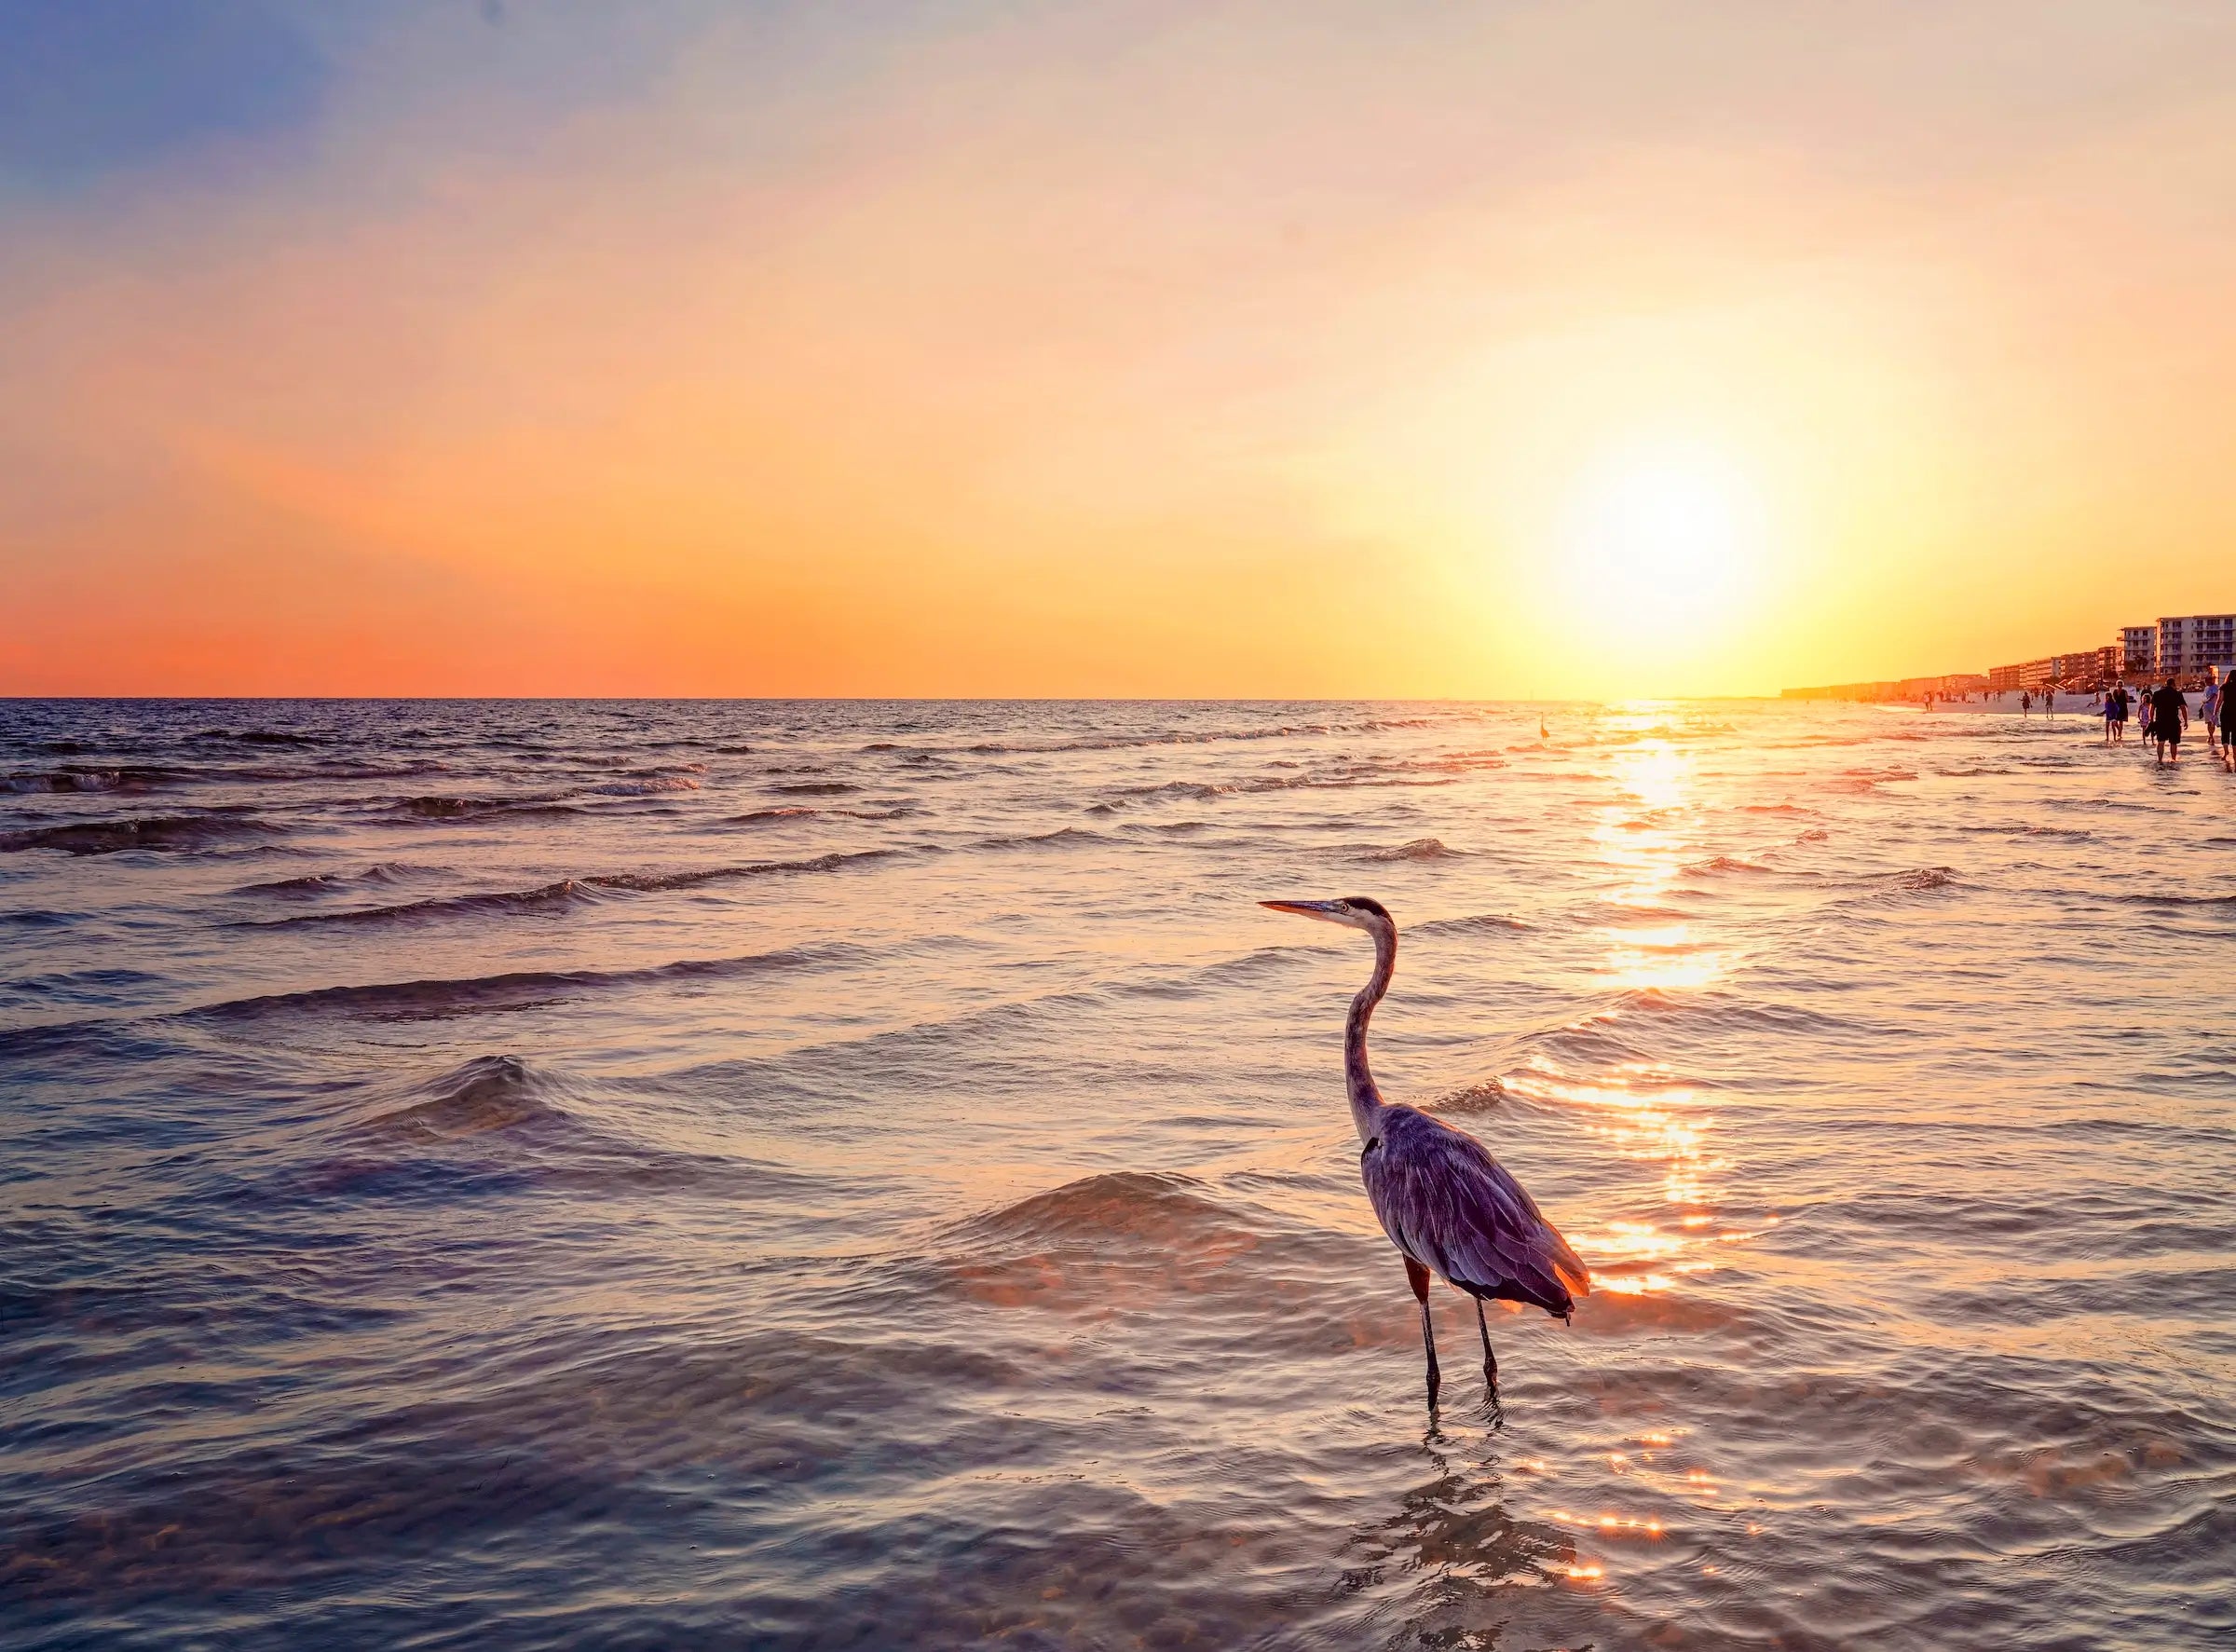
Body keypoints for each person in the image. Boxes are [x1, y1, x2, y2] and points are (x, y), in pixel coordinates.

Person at [2148, 677, 2187, 766]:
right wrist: (2185, 721)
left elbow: (2152, 708)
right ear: (2173, 684)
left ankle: (2160, 760)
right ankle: (2173, 760)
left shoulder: (2157, 694)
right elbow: (2183, 708)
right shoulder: (2177, 694)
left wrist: (2151, 720)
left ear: (2166, 684)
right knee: (2173, 742)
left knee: (2160, 742)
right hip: (2173, 721)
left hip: (2160, 721)